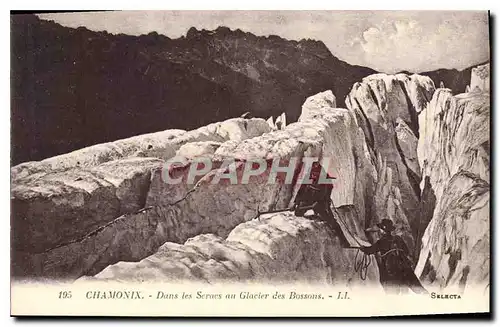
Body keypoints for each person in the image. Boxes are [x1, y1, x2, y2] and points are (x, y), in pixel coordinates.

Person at [360, 219, 428, 295]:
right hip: (405, 269)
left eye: (381, 229)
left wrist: (363, 248)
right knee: (419, 290)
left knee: (391, 295)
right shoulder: (398, 239)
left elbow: (370, 250)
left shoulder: (381, 241)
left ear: (383, 231)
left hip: (391, 273)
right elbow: (406, 251)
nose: (380, 231)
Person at [292, 163, 349, 248]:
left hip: (321, 201)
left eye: (316, 174)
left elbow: (325, 194)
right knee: (298, 213)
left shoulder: (325, 180)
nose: (314, 176)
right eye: (313, 174)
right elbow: (301, 190)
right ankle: (314, 216)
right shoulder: (309, 176)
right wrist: (296, 203)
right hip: (308, 199)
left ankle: (344, 241)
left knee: (331, 221)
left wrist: (321, 204)